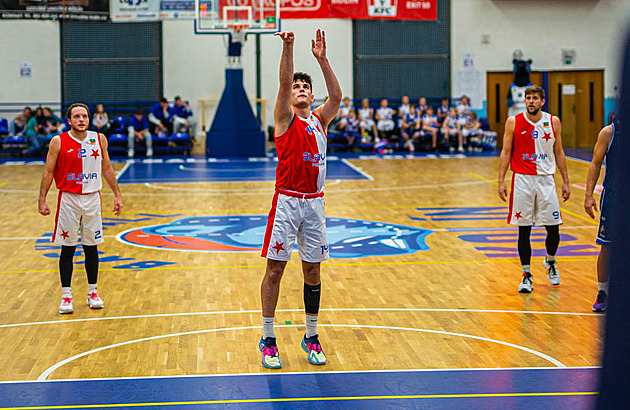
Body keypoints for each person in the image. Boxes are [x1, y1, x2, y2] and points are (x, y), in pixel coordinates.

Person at [259, 29, 341, 369]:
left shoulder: (320, 119)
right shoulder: (285, 119)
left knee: (313, 271)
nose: (301, 89)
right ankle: (268, 338)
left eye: (305, 86)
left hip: (315, 202)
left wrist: (322, 60)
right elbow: (282, 84)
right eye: (297, 86)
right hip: (287, 202)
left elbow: (336, 96)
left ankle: (311, 336)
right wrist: (289, 47)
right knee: (276, 271)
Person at [37, 103, 123, 314]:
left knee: (91, 247)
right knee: (68, 248)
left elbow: (107, 168)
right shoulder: (58, 141)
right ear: (69, 120)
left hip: (93, 199)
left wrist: (117, 194)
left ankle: (92, 292)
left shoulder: (99, 139)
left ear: (89, 118)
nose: (81, 120)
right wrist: (42, 199)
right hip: (69, 199)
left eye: (84, 116)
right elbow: (48, 172)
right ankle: (66, 295)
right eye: (77, 116)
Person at [498, 85, 570, 293]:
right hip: (522, 180)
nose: (531, 101)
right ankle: (526, 274)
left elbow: (559, 152)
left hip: (546, 180)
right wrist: (501, 180)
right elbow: (505, 151)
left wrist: (565, 181)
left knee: (554, 228)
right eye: (528, 98)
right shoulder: (513, 121)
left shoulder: (553, 121)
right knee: (524, 230)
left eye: (535, 98)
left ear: (542, 101)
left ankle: (550, 261)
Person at [584, 120, 620, 312]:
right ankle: (603, 292)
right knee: (606, 246)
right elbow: (596, 163)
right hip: (614, 196)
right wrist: (589, 195)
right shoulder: (609, 132)